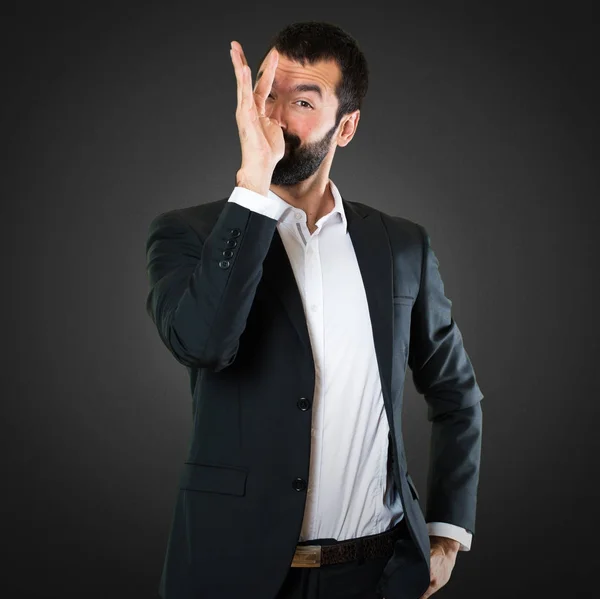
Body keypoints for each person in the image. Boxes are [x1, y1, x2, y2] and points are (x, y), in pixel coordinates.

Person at [145, 21, 484, 599]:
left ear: (346, 127)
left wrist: (447, 535)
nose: (274, 117)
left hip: (379, 575)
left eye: (301, 101)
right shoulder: (190, 234)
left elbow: (456, 393)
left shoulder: (402, 245)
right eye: (267, 93)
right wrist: (253, 187)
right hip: (232, 576)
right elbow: (203, 344)